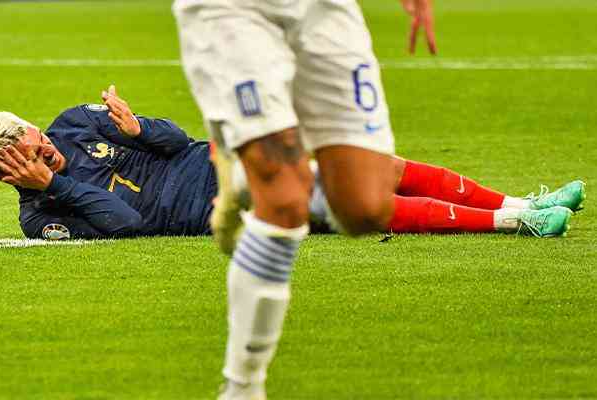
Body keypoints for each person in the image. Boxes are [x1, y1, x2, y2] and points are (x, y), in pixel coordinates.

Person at [171, 1, 579, 399]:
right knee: (285, 197)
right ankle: (243, 385)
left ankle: (243, 166)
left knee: (365, 207)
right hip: (233, 11)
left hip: (324, 10)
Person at [0, 87, 583, 242]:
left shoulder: (75, 120)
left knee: (374, 163)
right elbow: (126, 224)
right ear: (6, 175)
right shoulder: (40, 215)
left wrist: (139, 127)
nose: (45, 148)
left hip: (216, 157)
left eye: (34, 136)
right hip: (218, 206)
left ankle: (523, 204)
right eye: (29, 156)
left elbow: (172, 139)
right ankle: (518, 223)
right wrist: (58, 183)